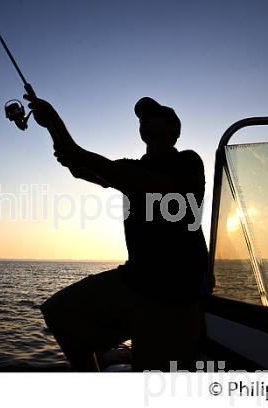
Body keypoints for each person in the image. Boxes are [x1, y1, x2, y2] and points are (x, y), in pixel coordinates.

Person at [25, 94, 209, 371]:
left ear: (174, 129)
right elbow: (78, 165)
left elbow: (154, 186)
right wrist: (52, 121)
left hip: (177, 291)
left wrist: (82, 156)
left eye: (154, 115)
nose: (145, 120)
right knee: (59, 313)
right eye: (142, 118)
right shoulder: (129, 168)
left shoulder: (188, 162)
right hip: (138, 280)